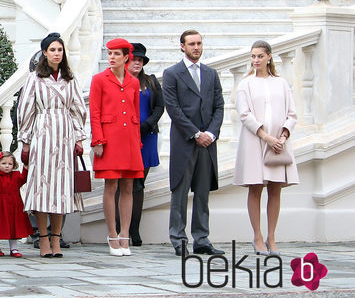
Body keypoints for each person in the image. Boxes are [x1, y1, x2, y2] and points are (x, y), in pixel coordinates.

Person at [17, 32, 86, 258]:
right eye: (52, 50)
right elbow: (26, 110)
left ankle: (57, 238)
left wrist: (78, 137)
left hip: (64, 134)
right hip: (42, 133)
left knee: (61, 190)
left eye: (60, 50)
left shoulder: (69, 78)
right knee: (42, 189)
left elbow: (77, 108)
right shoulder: (35, 78)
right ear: (44, 53)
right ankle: (43, 238)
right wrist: (25, 142)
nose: (57, 54)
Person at [163, 30, 224, 256]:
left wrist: (211, 133)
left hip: (207, 144)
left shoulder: (211, 74)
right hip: (185, 142)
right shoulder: (172, 74)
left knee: (202, 193)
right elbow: (174, 109)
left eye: (199, 43)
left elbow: (219, 106)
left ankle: (202, 238)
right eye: (191, 44)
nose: (196, 47)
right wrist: (196, 134)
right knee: (179, 192)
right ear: (182, 46)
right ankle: (178, 238)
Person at [234, 40, 299, 256]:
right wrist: (265, 136)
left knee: (275, 188)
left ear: (269, 57)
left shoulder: (281, 83)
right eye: (253, 56)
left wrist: (282, 136)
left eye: (260, 56)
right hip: (255, 141)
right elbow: (244, 114)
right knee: (256, 187)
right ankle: (258, 236)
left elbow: (292, 113)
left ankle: (272, 236)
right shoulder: (246, 84)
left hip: (279, 144)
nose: (256, 60)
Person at [90, 38, 144, 257]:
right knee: (111, 185)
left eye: (116, 54)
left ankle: (125, 235)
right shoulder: (99, 80)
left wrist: (137, 141)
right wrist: (98, 141)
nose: (111, 57)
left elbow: (136, 114)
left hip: (130, 138)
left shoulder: (133, 82)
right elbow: (94, 112)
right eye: (109, 53)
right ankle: (112, 234)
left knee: (129, 186)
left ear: (125, 57)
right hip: (109, 139)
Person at [119, 42, 163, 247]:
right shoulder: (119, 81)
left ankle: (134, 229)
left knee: (138, 184)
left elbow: (160, 107)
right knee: (122, 183)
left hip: (146, 135)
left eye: (140, 60)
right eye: (134, 58)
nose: (137, 62)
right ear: (126, 60)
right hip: (124, 136)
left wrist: (146, 125)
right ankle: (121, 229)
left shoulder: (151, 82)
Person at [0, 152, 32, 257]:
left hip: (14, 205)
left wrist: (26, 167)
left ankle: (13, 248)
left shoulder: (16, 176)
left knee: (14, 227)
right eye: (4, 163)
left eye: (10, 163)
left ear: (14, 165)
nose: (7, 166)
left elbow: (24, 178)